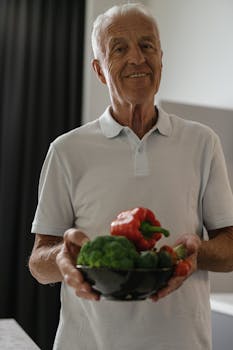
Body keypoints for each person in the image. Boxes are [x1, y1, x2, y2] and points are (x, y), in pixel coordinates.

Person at [29, 3, 233, 350]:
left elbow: (229, 249)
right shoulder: (66, 150)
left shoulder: (203, 142)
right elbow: (38, 262)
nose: (137, 58)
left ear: (161, 59)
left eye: (147, 45)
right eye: (119, 48)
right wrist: (65, 254)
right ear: (99, 69)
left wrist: (198, 251)